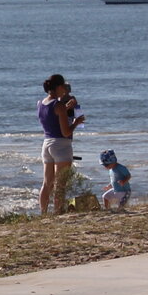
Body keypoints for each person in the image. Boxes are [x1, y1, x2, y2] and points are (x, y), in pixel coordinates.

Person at [37, 74, 84, 215]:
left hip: (47, 143)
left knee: (47, 183)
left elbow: (52, 118)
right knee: (60, 183)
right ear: (58, 87)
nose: (65, 88)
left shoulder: (41, 103)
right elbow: (65, 132)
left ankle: (43, 212)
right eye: (63, 85)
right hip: (61, 145)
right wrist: (76, 123)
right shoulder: (59, 106)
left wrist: (65, 108)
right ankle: (58, 211)